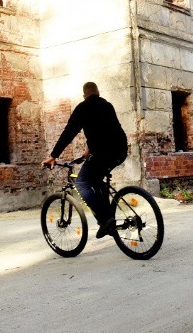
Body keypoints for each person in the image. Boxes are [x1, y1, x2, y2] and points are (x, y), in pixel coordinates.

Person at [42, 82, 128, 239]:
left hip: (102, 153)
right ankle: (108, 216)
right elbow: (106, 129)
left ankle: (105, 219)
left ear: (84, 95)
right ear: (98, 92)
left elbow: (69, 133)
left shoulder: (82, 108)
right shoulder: (107, 105)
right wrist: (90, 148)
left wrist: (54, 155)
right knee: (95, 179)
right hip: (121, 151)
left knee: (81, 183)